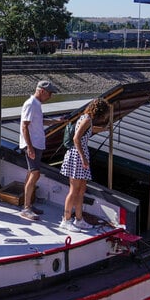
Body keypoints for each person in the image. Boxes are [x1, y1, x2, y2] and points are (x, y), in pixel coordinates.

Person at [60, 98, 110, 231]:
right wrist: (83, 158)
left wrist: (104, 129)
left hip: (80, 155)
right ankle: (66, 219)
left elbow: (90, 129)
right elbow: (76, 138)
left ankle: (79, 219)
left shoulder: (87, 119)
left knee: (81, 190)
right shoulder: (87, 119)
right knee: (74, 190)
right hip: (77, 156)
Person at [18, 80, 61, 220]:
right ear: (42, 91)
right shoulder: (31, 104)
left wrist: (56, 121)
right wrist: (29, 147)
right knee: (35, 174)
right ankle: (26, 208)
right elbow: (25, 126)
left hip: (36, 144)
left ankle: (28, 204)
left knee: (31, 173)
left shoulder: (36, 105)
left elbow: (38, 122)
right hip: (33, 144)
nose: (50, 96)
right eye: (50, 93)